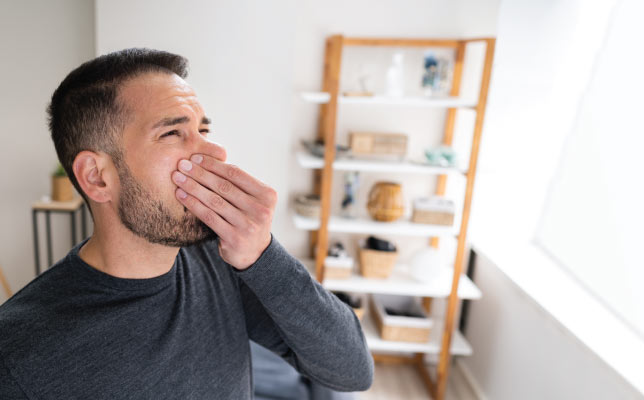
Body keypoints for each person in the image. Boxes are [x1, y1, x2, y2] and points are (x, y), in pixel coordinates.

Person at [0, 48, 374, 399]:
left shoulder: (222, 260)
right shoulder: (18, 353)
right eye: (172, 133)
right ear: (97, 177)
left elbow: (352, 371)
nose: (214, 152)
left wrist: (263, 255)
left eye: (204, 131)